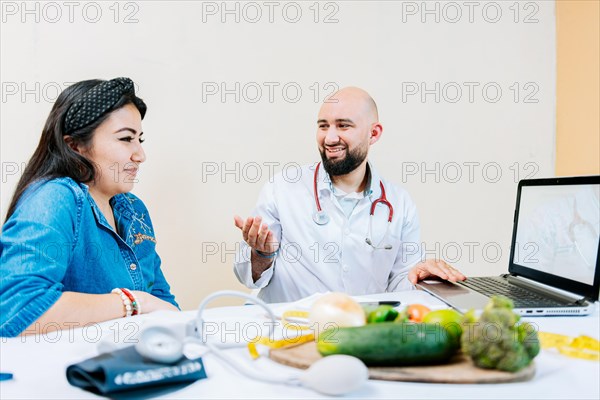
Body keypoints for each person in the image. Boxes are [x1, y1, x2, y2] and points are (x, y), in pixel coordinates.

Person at [233, 87, 466, 303]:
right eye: (323, 126)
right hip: (287, 329)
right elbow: (248, 276)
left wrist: (420, 277)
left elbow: (401, 285)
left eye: (343, 126)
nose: (330, 138)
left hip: (355, 332)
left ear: (373, 134)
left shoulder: (400, 204)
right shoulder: (282, 188)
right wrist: (262, 253)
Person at [0, 78, 179, 337]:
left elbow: (164, 303)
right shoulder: (54, 198)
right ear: (75, 146)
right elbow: (17, 309)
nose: (140, 155)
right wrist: (134, 302)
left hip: (126, 363)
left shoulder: (134, 211)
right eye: (126, 139)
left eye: (140, 139)